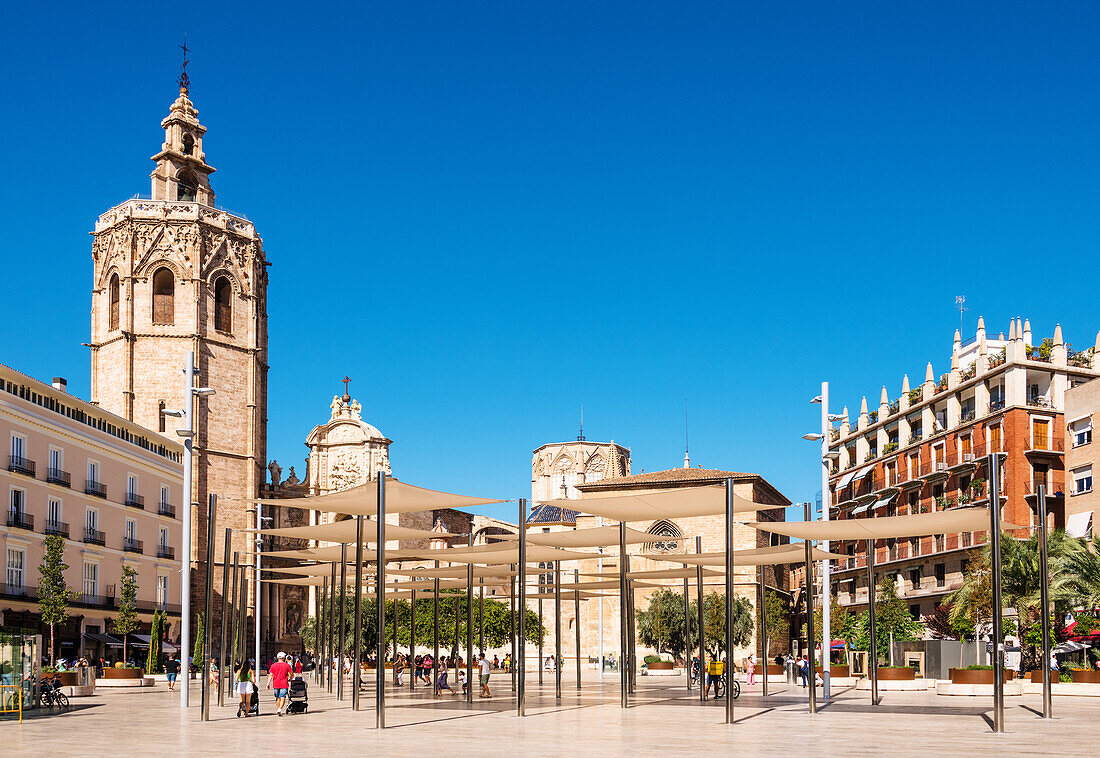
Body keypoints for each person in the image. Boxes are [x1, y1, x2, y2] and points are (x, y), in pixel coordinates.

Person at [267, 651, 293, 717]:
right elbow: (291, 674)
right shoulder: (287, 665)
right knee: (283, 697)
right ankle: (280, 709)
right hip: (284, 684)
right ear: (284, 658)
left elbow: (270, 675)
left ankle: (278, 709)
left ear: (277, 658)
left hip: (276, 683)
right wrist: (290, 679)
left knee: (277, 697)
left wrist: (268, 683)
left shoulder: (273, 666)